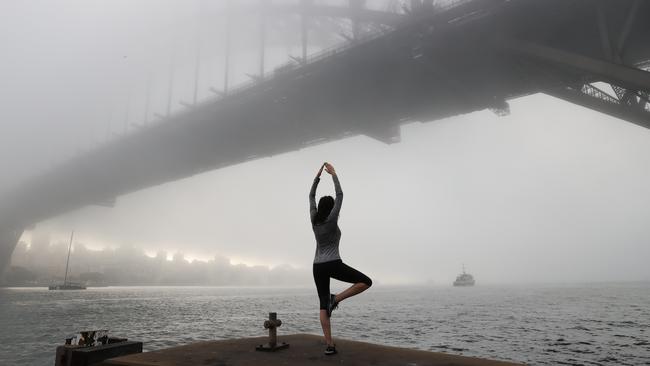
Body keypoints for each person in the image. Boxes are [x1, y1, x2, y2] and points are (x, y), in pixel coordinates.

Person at [309, 162, 372, 355]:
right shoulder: (331, 219)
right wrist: (333, 174)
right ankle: (336, 298)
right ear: (331, 210)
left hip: (317, 266)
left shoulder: (314, 219)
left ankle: (329, 345)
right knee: (366, 281)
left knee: (322, 305)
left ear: (320, 208)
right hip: (333, 263)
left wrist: (317, 178)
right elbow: (340, 195)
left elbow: (311, 196)